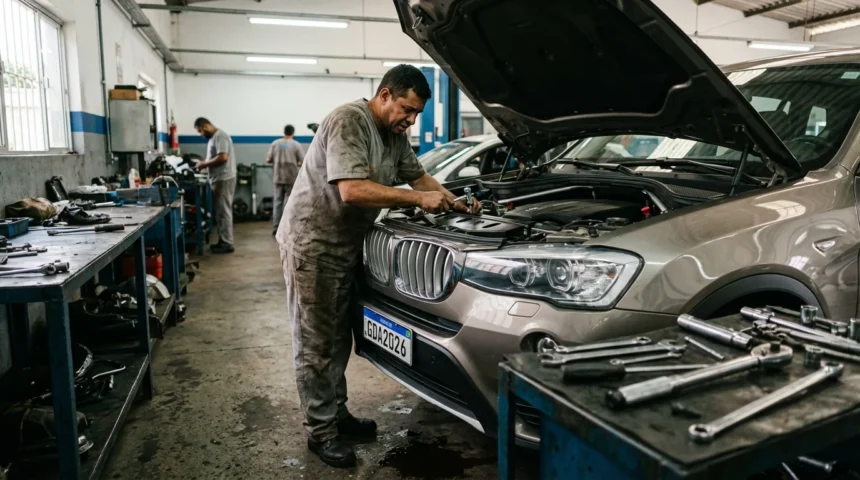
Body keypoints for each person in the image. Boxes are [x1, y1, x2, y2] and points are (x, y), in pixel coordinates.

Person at [276, 64, 480, 468]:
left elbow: (419, 177)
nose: (410, 119)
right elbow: (352, 190)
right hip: (312, 246)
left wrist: (454, 200)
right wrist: (418, 201)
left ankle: (337, 414)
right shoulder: (349, 121)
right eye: (406, 108)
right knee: (316, 343)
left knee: (338, 339)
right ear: (384, 95)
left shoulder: (394, 134)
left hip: (348, 246)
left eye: (417, 113)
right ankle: (320, 432)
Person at [194, 118, 237, 254]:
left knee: (223, 211)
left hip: (223, 178)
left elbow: (223, 157)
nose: (201, 134)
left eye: (200, 130)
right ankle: (223, 240)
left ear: (205, 126)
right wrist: (205, 161)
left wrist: (204, 164)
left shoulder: (220, 136)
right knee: (220, 211)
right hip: (219, 178)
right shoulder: (214, 138)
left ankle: (227, 243)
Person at [267, 124, 305, 235]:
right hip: (291, 178)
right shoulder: (296, 145)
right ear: (293, 133)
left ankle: (276, 228)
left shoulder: (275, 143)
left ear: (284, 132)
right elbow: (302, 161)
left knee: (277, 202)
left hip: (277, 177)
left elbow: (268, 159)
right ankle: (286, 228)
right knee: (289, 202)